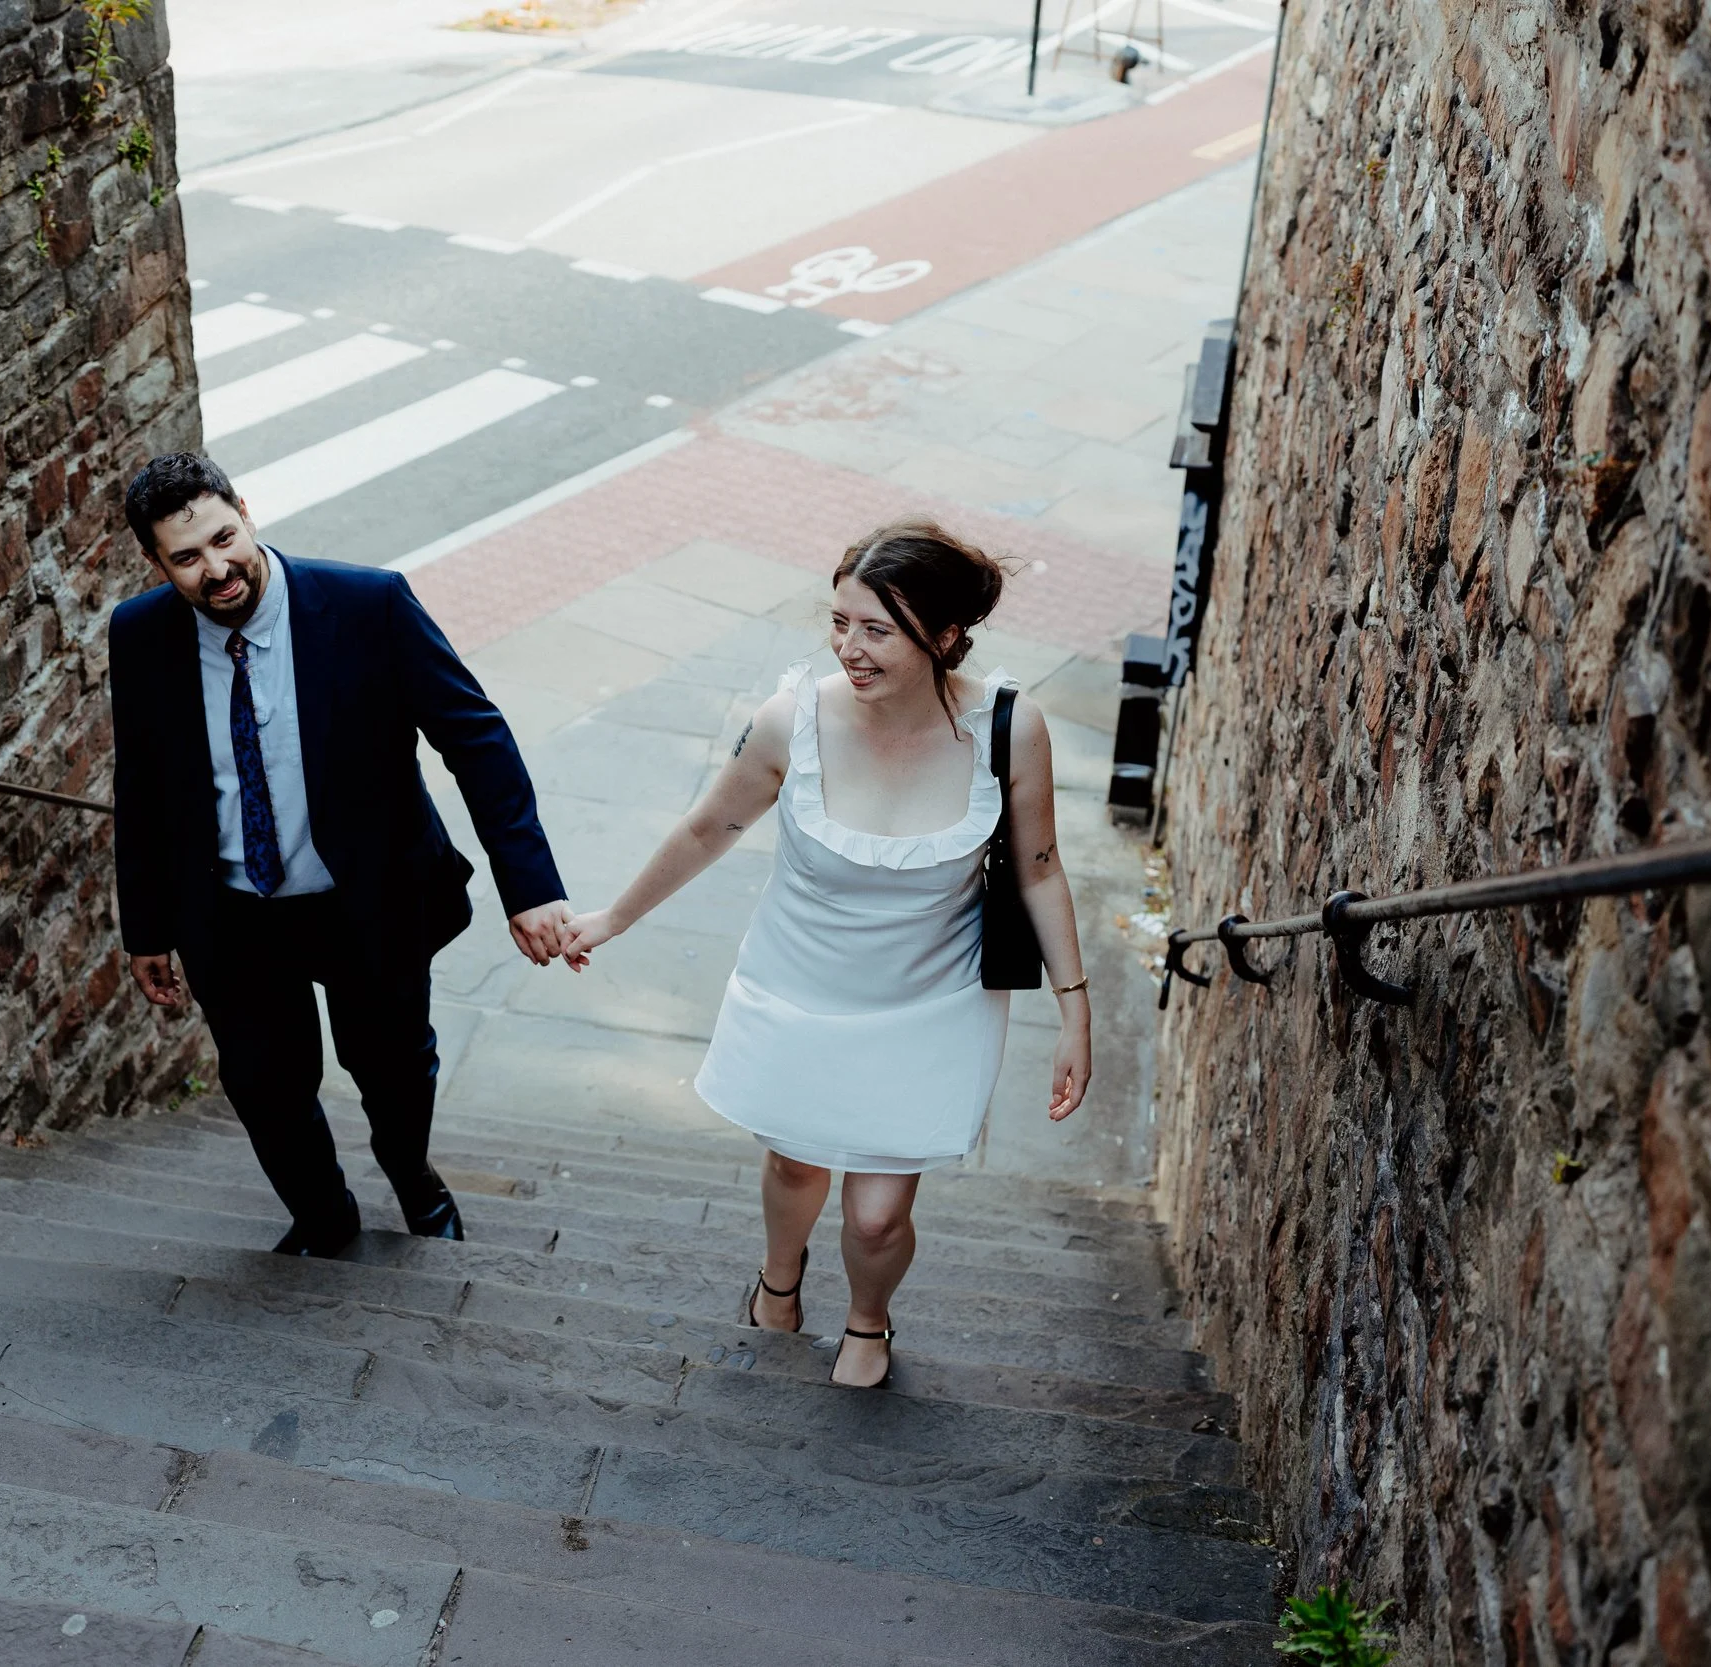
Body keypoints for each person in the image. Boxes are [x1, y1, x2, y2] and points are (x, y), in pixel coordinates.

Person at [557, 517, 1092, 1388]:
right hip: (797, 987)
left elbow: (1037, 868)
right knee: (796, 1161)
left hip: (930, 1004)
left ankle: (869, 1320)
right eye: (839, 622)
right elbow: (707, 828)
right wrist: (613, 918)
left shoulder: (1009, 727)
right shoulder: (789, 722)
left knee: (879, 1215)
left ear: (946, 636)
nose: (849, 647)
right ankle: (780, 1273)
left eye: (876, 629)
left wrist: (1076, 1010)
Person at [109, 453, 573, 1256]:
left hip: (366, 900)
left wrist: (529, 885)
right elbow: (141, 782)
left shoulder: (369, 605)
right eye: (187, 557)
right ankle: (324, 1215)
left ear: (246, 512)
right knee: (261, 1083)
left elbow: (478, 740)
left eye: (225, 538)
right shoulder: (141, 633)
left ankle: (413, 1177)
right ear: (157, 562)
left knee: (393, 1072)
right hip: (232, 911)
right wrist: (146, 924)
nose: (217, 568)